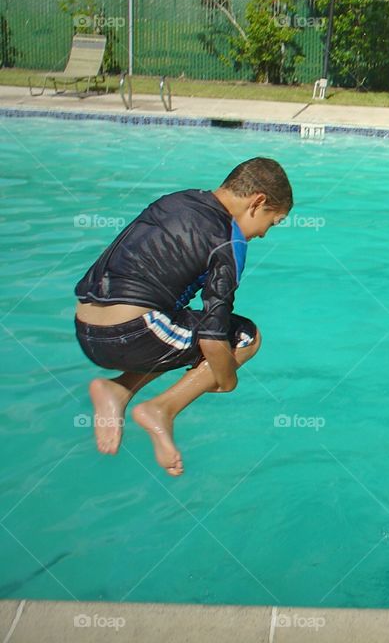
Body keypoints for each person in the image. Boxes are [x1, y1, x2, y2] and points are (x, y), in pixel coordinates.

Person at [73, 157, 292, 477]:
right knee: (245, 337)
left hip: (86, 326)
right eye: (273, 222)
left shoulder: (176, 200)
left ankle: (120, 390)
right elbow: (214, 339)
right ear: (257, 202)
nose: (264, 235)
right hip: (131, 333)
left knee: (174, 320)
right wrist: (228, 379)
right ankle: (161, 409)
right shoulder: (229, 240)